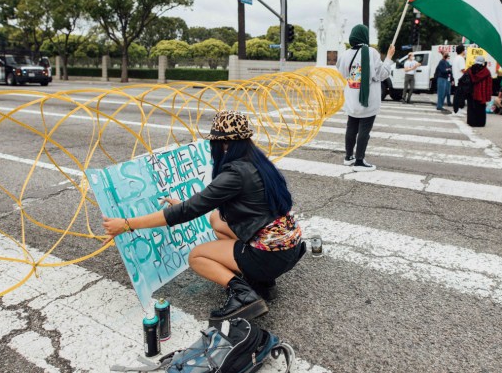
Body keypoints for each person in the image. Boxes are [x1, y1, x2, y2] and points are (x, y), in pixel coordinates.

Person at [102, 110, 306, 321]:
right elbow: (203, 204)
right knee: (216, 220)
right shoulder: (257, 161)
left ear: (222, 144)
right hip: (290, 247)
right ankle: (262, 282)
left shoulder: (234, 173)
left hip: (270, 256)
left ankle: (244, 294)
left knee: (197, 256)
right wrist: (186, 204)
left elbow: (185, 212)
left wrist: (127, 224)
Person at [337, 24, 395, 171]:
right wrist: (389, 57)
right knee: (364, 130)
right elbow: (382, 74)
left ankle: (348, 157)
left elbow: (343, 74)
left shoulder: (344, 55)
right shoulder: (372, 53)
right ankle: (359, 161)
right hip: (367, 99)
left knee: (351, 128)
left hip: (351, 98)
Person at [465, 56, 493, 127]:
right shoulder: (486, 71)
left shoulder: (469, 70)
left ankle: (471, 122)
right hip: (482, 94)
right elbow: (489, 84)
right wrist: (488, 95)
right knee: (480, 108)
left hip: (471, 93)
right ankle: (480, 123)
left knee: (471, 108)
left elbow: (465, 81)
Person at [451, 45, 467, 109]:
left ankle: (456, 108)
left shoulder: (455, 58)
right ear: (462, 51)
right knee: (460, 97)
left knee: (457, 96)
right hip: (461, 80)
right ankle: (458, 109)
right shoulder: (461, 58)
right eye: (464, 50)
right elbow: (462, 69)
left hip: (456, 79)